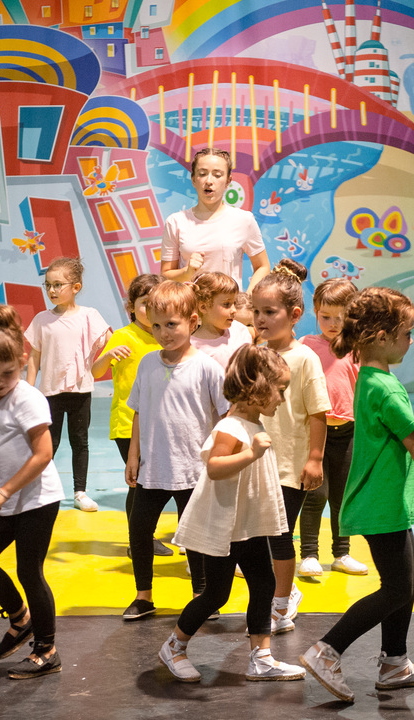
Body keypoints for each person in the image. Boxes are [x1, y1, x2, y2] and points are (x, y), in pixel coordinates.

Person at [299, 287, 414, 703]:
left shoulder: (369, 378)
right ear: (381, 337)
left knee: (410, 579)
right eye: (407, 333)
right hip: (380, 505)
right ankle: (327, 650)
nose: (411, 341)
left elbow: (395, 443)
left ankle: (394, 662)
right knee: (397, 587)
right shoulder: (384, 387)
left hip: (385, 502)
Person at [158, 345, 307, 683]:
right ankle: (174, 646)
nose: (282, 398)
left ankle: (262, 658)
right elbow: (214, 467)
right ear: (257, 388)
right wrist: (251, 454)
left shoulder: (253, 425)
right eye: (280, 390)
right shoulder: (232, 428)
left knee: (264, 583)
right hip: (224, 526)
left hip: (246, 524)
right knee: (216, 594)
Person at [0, 304, 64, 680]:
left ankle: (47, 650)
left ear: (22, 362)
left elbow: (43, 454)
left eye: (8, 373)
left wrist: (4, 492)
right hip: (5, 497)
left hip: (37, 499)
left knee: (29, 571)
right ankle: (21, 618)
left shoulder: (28, 399)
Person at [123, 281, 229, 620]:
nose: (163, 333)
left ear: (193, 321)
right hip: (153, 468)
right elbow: (138, 411)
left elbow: (226, 415)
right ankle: (143, 596)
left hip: (193, 471)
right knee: (139, 530)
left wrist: (220, 457)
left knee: (195, 537)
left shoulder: (207, 367)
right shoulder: (147, 364)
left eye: (171, 324)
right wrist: (133, 455)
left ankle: (201, 596)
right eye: (156, 325)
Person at [251, 259, 330, 635]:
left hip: (289, 466)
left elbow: (318, 412)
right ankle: (281, 591)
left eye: (269, 312)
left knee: (280, 536)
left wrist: (315, 459)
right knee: (260, 537)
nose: (260, 319)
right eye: (256, 311)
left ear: (295, 314)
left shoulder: (305, 359)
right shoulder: (256, 354)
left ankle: (282, 603)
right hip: (257, 462)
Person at [90, 274, 174, 557]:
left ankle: (143, 537)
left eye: (156, 304)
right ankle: (138, 541)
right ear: (130, 307)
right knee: (139, 484)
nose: (150, 310)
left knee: (153, 485)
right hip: (128, 424)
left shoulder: (165, 336)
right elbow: (96, 371)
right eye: (144, 304)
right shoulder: (123, 336)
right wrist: (108, 355)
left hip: (160, 424)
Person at [25, 257, 111, 512]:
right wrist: (28, 390)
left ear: (76, 287)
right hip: (49, 393)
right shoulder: (42, 319)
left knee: (79, 442)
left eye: (58, 285)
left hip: (80, 392)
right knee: (48, 444)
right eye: (47, 285)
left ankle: (79, 492)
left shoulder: (89, 316)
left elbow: (112, 340)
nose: (51, 290)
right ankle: (41, 490)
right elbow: (34, 357)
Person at [300, 278, 367, 577]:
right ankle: (308, 555)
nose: (333, 324)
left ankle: (342, 553)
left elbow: (363, 389)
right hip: (315, 433)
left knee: (342, 497)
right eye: (325, 317)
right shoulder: (306, 346)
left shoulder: (358, 349)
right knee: (315, 494)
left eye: (340, 317)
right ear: (315, 312)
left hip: (348, 433)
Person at [161, 147, 271, 292]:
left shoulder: (244, 220)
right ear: (193, 179)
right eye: (202, 174)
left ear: (228, 181)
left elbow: (263, 266)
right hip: (188, 305)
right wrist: (187, 272)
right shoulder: (176, 222)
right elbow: (166, 275)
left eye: (217, 175)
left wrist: (247, 298)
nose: (209, 181)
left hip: (230, 306)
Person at [190, 271, 254, 369]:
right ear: (203, 307)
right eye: (226, 304)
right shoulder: (192, 347)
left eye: (234, 303)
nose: (234, 310)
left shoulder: (240, 330)